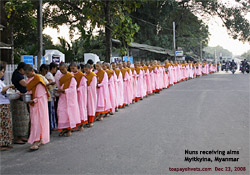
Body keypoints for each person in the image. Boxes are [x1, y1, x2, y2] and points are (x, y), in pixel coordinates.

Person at [24, 64, 50, 150]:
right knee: (34, 122)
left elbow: (41, 95)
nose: (27, 75)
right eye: (26, 74)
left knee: (38, 121)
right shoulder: (29, 79)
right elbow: (29, 91)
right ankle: (37, 139)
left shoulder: (38, 79)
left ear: (32, 71)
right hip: (32, 104)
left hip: (39, 104)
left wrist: (34, 100)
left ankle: (37, 140)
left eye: (28, 73)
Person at [56, 62, 81, 137]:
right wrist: (58, 90)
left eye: (63, 69)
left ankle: (69, 129)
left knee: (69, 113)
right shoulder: (59, 76)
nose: (61, 71)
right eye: (60, 69)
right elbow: (59, 85)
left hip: (69, 98)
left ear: (66, 68)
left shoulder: (71, 77)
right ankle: (63, 128)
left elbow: (73, 89)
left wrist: (64, 91)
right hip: (62, 97)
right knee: (61, 112)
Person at [11, 62, 30, 144]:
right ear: (21, 69)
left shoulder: (17, 74)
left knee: (23, 119)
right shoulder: (18, 76)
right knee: (19, 119)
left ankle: (21, 136)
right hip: (19, 99)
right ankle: (17, 137)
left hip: (21, 98)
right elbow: (25, 84)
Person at [0, 64, 15, 151]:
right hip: (1, 104)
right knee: (2, 124)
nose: (2, 73)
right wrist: (9, 86)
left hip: (5, 103)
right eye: (2, 71)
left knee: (7, 124)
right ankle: (2, 143)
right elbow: (2, 90)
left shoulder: (1, 82)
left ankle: (6, 141)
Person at [70, 62, 88, 131]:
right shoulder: (70, 75)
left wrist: (77, 89)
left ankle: (81, 124)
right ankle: (74, 124)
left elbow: (83, 86)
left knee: (81, 108)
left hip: (80, 95)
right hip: (73, 95)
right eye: (71, 68)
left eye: (73, 68)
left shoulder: (82, 75)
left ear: (77, 68)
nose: (72, 70)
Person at [45, 62, 58, 131]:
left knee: (52, 110)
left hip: (52, 94)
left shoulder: (51, 75)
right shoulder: (49, 75)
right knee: (51, 111)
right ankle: (52, 125)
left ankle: (53, 125)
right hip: (50, 94)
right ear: (53, 68)